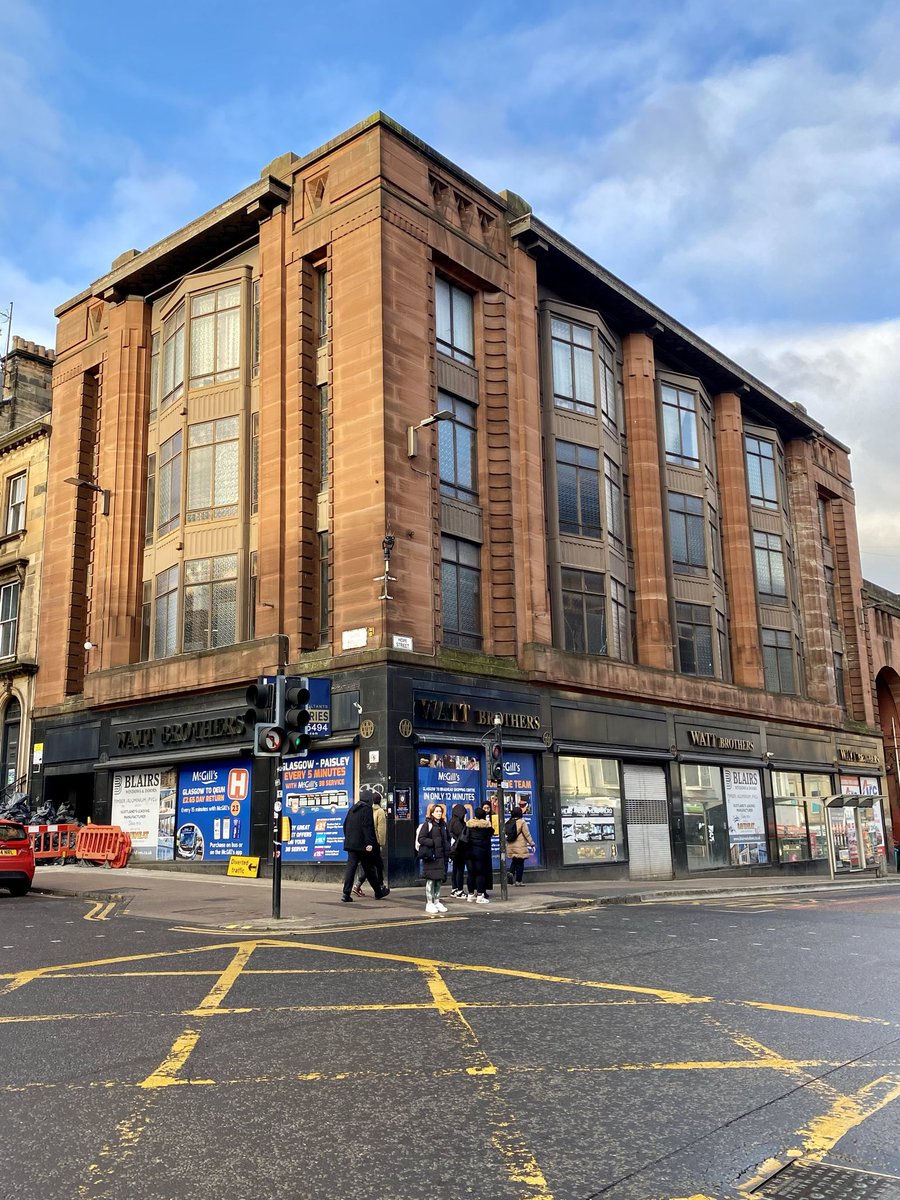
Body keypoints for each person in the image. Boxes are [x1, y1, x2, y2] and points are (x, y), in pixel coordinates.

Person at [341, 789, 390, 903]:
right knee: (369, 868)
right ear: (368, 800)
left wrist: (348, 838)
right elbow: (367, 827)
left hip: (351, 844)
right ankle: (378, 892)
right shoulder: (367, 809)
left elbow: (345, 825)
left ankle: (346, 893)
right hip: (362, 845)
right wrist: (369, 843)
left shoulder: (352, 809)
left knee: (351, 868)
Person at [415, 802, 451, 914]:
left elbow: (448, 839)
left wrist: (448, 851)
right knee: (430, 881)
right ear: (432, 813)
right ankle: (429, 903)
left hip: (441, 857)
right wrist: (433, 843)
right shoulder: (428, 824)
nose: (439, 813)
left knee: (438, 881)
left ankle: (437, 901)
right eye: (437, 811)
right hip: (431, 857)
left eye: (440, 811)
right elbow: (421, 838)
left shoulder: (444, 825)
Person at [354, 788, 388, 896]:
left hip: (366, 842)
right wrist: (381, 843)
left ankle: (358, 885)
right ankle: (380, 887)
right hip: (375, 843)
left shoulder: (366, 810)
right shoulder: (380, 811)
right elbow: (381, 829)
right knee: (377, 865)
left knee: (368, 865)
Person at [465, 803, 494, 904]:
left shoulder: (469, 825)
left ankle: (470, 894)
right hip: (481, 854)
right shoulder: (486, 827)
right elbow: (492, 832)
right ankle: (480, 895)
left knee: (471, 874)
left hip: (469, 854)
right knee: (480, 874)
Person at [506, 801, 535, 886]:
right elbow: (527, 834)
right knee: (520, 863)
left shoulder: (508, 822)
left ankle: (511, 872)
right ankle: (518, 881)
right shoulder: (522, 822)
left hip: (511, 845)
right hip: (520, 846)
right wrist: (532, 844)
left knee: (514, 861)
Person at [448, 802, 469, 897]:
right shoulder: (458, 823)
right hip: (459, 849)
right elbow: (462, 836)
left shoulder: (451, 821)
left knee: (455, 869)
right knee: (460, 870)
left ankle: (454, 889)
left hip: (454, 849)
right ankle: (459, 890)